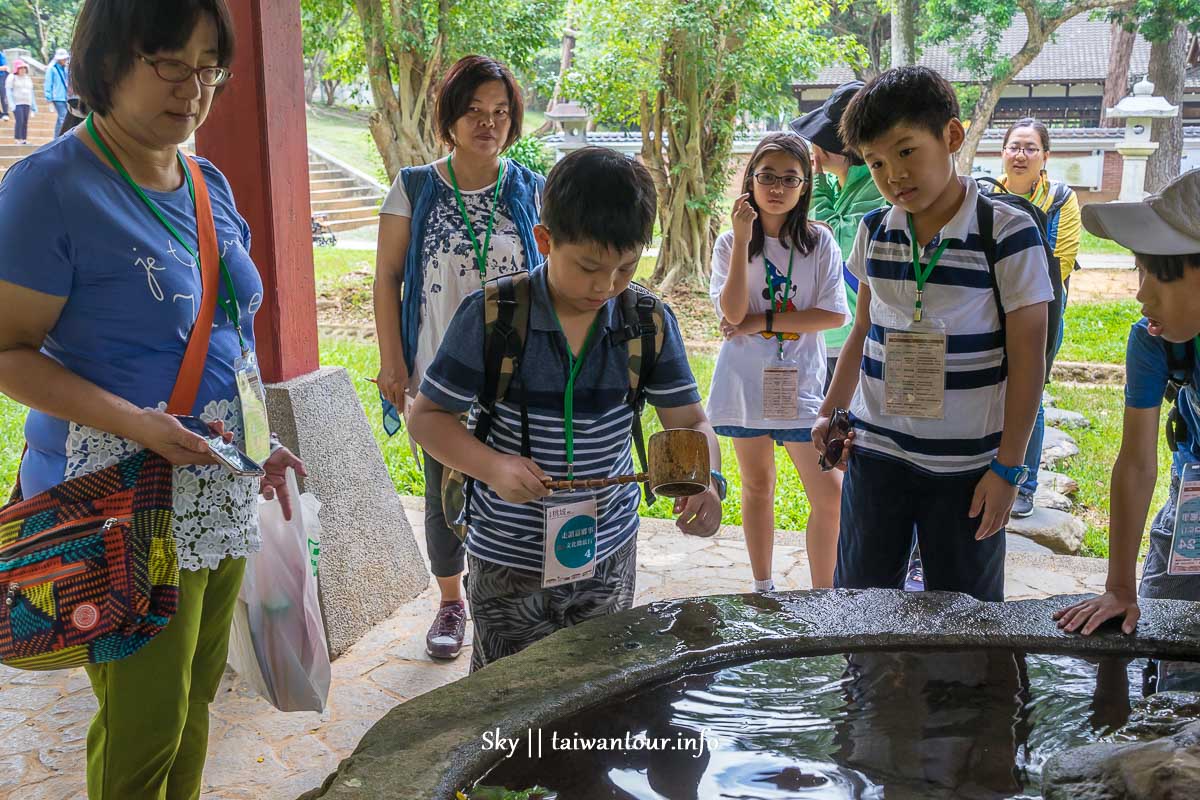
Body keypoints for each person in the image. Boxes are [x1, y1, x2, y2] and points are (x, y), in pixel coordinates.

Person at [0, 2, 307, 796]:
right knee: (146, 725)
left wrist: (254, 435)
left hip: (216, 484)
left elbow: (231, 332)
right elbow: (6, 352)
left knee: (196, 704)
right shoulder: (50, 188)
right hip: (119, 499)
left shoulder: (206, 181)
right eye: (170, 62)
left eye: (209, 66)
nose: (194, 87)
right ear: (108, 60)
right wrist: (136, 423)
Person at [408, 147, 725, 671]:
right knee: (506, 702)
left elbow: (690, 423)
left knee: (594, 691)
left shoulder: (647, 321)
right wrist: (494, 466)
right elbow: (427, 419)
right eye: (588, 267)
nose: (605, 287)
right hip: (509, 555)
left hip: (608, 551)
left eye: (626, 267)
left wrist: (706, 479)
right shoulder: (492, 315)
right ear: (544, 241)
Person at [813, 66, 1052, 601]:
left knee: (965, 620)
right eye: (875, 162)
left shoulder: (1007, 232)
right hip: (877, 456)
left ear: (951, 136)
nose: (893, 175)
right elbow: (864, 329)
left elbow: (1029, 360)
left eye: (905, 151)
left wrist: (1009, 468)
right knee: (860, 605)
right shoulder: (875, 231)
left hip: (967, 467)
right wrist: (831, 408)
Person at [373, 54, 543, 662]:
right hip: (440, 377)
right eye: (473, 110)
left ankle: (509, 591)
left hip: (520, 378)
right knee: (444, 493)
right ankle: (452, 601)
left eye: (500, 112)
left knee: (515, 482)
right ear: (450, 117)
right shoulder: (415, 187)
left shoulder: (530, 190)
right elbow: (388, 277)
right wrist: (394, 365)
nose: (487, 123)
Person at [1054, 170, 1200, 641]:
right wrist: (1120, 587)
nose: (1141, 294)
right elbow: (1137, 463)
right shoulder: (1153, 342)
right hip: (1192, 502)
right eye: (1141, 271)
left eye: (1159, 276)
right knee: (1170, 643)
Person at [707, 132, 848, 591]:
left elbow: (833, 313)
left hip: (801, 382)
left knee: (830, 493)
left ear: (805, 185)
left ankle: (822, 596)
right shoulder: (732, 242)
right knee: (757, 485)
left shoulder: (818, 241)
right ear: (750, 178)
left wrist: (758, 321)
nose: (777, 187)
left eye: (790, 178)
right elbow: (730, 313)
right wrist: (745, 235)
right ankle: (763, 586)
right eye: (767, 176)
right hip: (746, 383)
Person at [988, 117, 1082, 518]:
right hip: (991, 304)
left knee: (1032, 391)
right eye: (1014, 146)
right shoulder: (986, 193)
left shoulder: (1060, 199)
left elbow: (1060, 261)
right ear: (1003, 152)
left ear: (1046, 156)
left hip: (1043, 308)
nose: (1020, 155)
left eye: (1030, 148)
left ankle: (1024, 483)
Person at [790, 80, 888, 388]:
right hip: (829, 332)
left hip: (856, 335)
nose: (812, 148)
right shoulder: (841, 186)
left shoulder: (876, 189)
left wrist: (816, 184)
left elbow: (834, 240)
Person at [6, 60, 36, 144]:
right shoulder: (12, 77)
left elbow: (31, 92)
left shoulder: (28, 78)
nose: (23, 70)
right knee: (20, 120)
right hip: (17, 103)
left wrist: (34, 106)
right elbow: (9, 91)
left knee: (25, 121)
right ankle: (17, 138)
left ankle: (24, 139)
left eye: (24, 68)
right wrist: (11, 103)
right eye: (21, 68)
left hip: (27, 102)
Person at [46, 47, 72, 136]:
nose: (65, 60)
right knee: (63, 117)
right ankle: (60, 137)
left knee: (61, 118)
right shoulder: (52, 69)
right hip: (57, 97)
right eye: (63, 58)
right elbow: (48, 83)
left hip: (65, 96)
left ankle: (56, 137)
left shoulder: (65, 68)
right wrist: (48, 98)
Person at [0, 50, 10, 121]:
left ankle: (5, 113)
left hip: (1, 77)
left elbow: (5, 67)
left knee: (3, 95)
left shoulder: (1, 55)